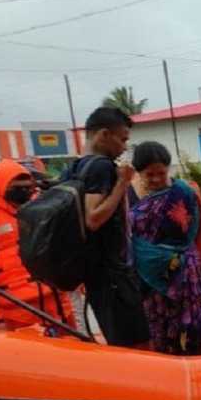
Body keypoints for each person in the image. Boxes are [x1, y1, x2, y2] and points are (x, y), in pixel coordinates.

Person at [67, 107, 150, 349]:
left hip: (96, 275)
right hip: (113, 275)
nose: (124, 147)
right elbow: (93, 218)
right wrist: (123, 183)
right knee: (138, 346)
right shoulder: (100, 167)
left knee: (120, 342)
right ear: (104, 135)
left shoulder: (75, 167)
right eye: (122, 139)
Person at [0, 160, 76, 331]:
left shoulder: (38, 210)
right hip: (18, 315)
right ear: (0, 185)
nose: (24, 191)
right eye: (17, 186)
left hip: (57, 307)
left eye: (27, 186)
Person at [129, 142, 201, 355]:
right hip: (153, 277)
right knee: (162, 327)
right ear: (139, 173)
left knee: (196, 324)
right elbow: (131, 240)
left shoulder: (183, 192)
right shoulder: (128, 198)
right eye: (149, 175)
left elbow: (195, 228)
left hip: (187, 270)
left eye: (161, 173)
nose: (157, 179)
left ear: (168, 168)